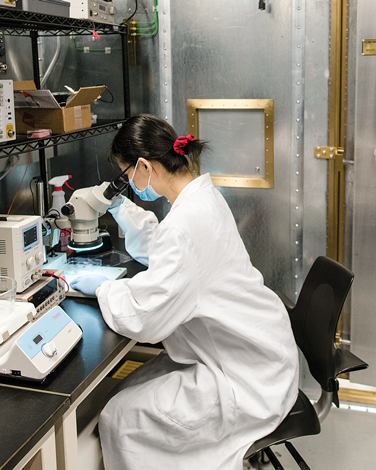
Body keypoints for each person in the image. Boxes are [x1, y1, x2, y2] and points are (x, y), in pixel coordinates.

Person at [69, 114, 299, 470]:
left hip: (242, 380)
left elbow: (146, 316)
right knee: (122, 393)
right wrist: (120, 208)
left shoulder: (186, 222)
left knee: (120, 416)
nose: (129, 184)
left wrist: (104, 288)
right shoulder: (202, 198)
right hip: (256, 355)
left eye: (127, 175)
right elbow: (172, 253)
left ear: (144, 166)